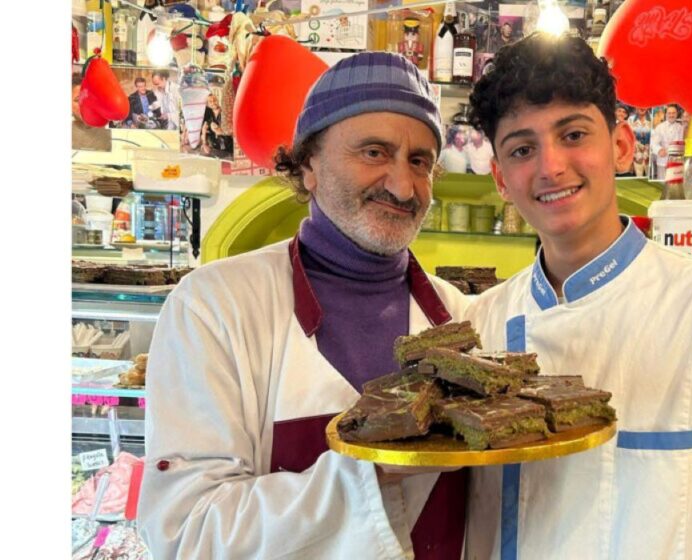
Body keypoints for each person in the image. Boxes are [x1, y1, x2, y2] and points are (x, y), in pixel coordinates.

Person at [464, 33, 692, 559]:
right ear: (501, 179)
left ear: (621, 145)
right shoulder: (482, 325)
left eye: (573, 134)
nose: (551, 167)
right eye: (522, 150)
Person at [139, 52, 471, 559]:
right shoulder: (213, 308)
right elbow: (187, 531)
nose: (403, 186)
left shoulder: (463, 318)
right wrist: (374, 467)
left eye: (420, 162)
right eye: (374, 152)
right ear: (309, 163)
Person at [649, 104, 684, 179]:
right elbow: (653, 142)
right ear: (666, 114)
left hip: (676, 162)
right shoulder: (659, 127)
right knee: (661, 183)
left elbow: (682, 145)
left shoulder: (681, 128)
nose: (671, 115)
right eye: (669, 113)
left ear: (677, 114)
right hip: (662, 161)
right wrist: (659, 150)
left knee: (675, 183)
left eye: (673, 113)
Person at [200, 93, 233, 158]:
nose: (213, 102)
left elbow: (232, 129)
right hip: (215, 148)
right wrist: (204, 143)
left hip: (228, 148)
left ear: (218, 100)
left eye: (214, 100)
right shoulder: (208, 116)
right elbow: (204, 128)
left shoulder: (225, 112)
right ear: (208, 105)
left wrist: (221, 131)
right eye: (210, 101)